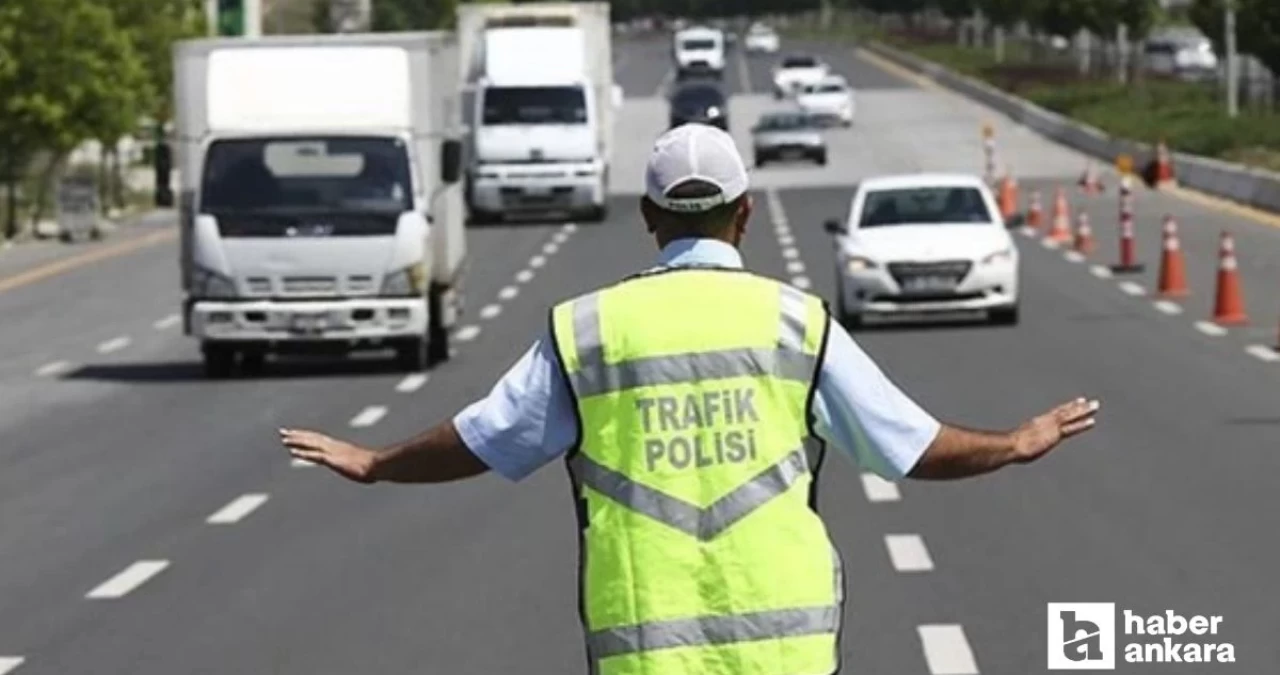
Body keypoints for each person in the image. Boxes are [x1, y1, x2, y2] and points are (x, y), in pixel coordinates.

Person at [280, 123, 1100, 675]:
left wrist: (375, 461)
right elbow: (909, 447)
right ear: (744, 214)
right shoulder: (795, 322)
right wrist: (1014, 442)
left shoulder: (589, 329)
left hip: (645, 646)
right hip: (790, 647)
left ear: (648, 217)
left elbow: (486, 437)